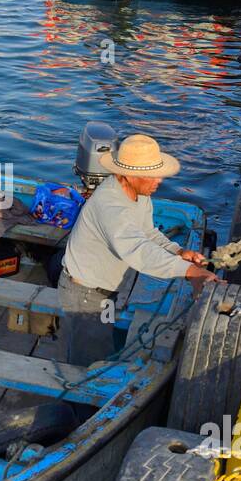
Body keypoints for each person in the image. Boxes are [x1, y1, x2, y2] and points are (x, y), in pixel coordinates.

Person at [58, 133, 219, 366]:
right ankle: (81, 401)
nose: (159, 181)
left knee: (102, 343)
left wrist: (176, 251)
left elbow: (147, 232)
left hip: (106, 291)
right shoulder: (110, 206)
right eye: (153, 176)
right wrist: (191, 272)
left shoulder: (138, 194)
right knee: (89, 363)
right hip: (86, 295)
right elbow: (139, 250)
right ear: (131, 175)